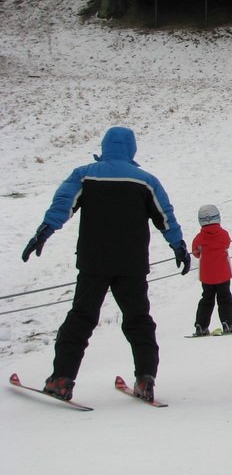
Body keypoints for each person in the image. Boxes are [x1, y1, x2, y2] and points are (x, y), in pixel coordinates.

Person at [21, 126, 190, 403]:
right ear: (132, 149)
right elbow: (165, 216)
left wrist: (45, 231)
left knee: (81, 318)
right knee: (138, 320)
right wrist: (178, 246)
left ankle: (61, 379)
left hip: (93, 262)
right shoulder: (146, 181)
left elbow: (63, 204)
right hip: (132, 265)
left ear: (105, 146)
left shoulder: (85, 174)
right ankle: (145, 379)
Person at [191, 204, 232, 336]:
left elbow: (196, 253)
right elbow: (227, 243)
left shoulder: (199, 238)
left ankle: (201, 325)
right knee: (225, 298)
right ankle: (227, 323)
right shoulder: (223, 234)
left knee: (206, 299)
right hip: (223, 274)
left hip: (207, 276)